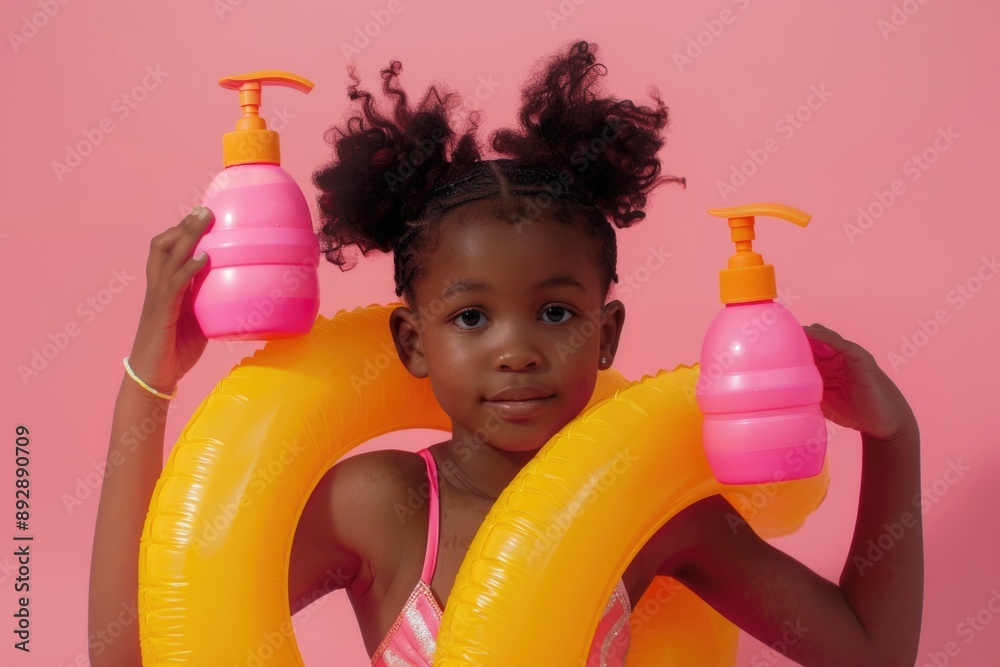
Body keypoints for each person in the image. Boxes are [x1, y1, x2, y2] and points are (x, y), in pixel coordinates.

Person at [89, 39, 923, 666]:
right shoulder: (381, 509)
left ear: (609, 335)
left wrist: (894, 440)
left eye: (555, 311)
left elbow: (869, 652)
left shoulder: (656, 513)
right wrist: (147, 386)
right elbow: (135, 651)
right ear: (411, 342)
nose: (518, 350)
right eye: (472, 318)